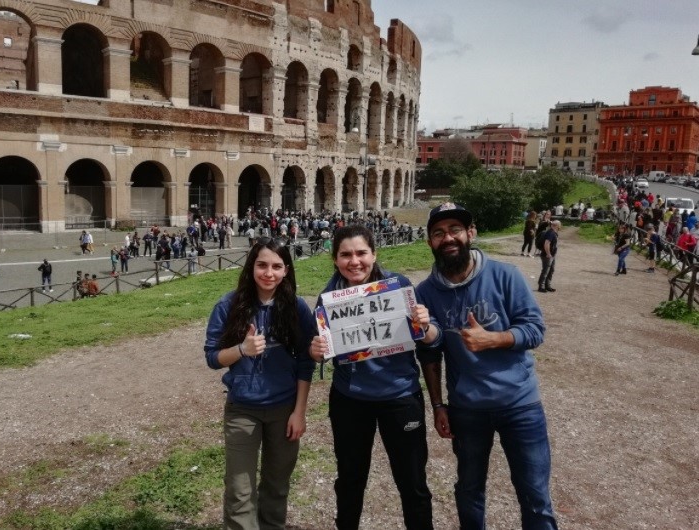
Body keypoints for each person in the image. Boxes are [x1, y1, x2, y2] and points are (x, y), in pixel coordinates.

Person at [415, 203, 559, 530]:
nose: (448, 238)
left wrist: (492, 339)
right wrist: (438, 404)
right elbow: (430, 352)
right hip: (467, 409)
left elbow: (535, 330)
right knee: (468, 490)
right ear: (430, 242)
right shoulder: (425, 292)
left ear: (471, 233)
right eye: (438, 233)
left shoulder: (504, 275)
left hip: (520, 404)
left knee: (535, 497)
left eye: (455, 230)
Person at [308, 224, 438, 530]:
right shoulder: (327, 298)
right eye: (346, 255)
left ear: (374, 254)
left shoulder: (398, 286)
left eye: (361, 253)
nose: (355, 261)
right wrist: (316, 351)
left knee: (413, 483)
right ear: (335, 259)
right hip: (350, 400)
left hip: (400, 396)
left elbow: (428, 337)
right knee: (350, 480)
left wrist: (426, 325)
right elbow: (323, 352)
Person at [204, 238, 316, 530]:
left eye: (277, 266)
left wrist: (300, 411)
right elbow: (213, 358)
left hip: (284, 408)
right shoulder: (228, 305)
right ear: (251, 266)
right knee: (240, 490)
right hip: (243, 410)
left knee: (276, 485)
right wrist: (242, 349)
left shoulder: (296, 308)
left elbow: (307, 361)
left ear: (287, 270)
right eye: (262, 265)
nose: (269, 273)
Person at [537, 220, 561, 293]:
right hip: (547, 255)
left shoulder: (553, 232)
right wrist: (548, 253)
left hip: (551, 255)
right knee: (545, 271)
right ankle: (541, 286)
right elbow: (546, 243)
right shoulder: (550, 233)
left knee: (551, 270)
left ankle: (547, 285)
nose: (560, 226)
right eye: (560, 225)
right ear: (557, 226)